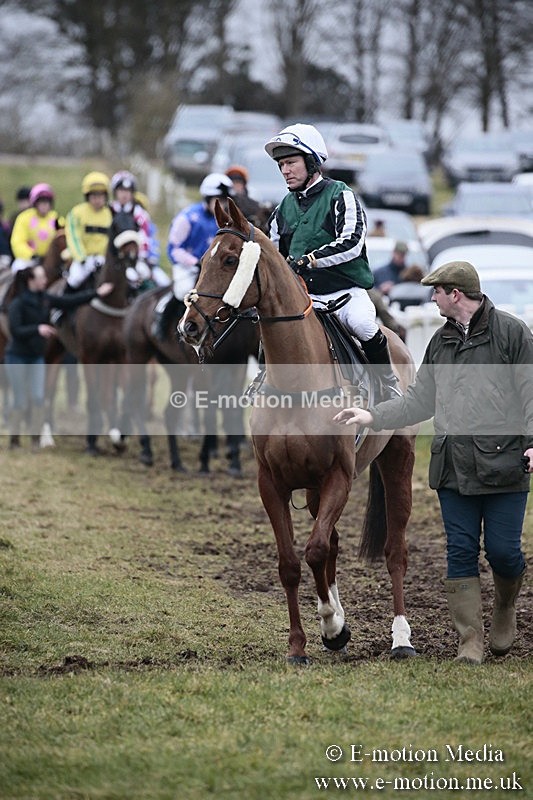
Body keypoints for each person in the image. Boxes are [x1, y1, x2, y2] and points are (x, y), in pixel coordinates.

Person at [334, 260, 532, 664]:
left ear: (454, 294)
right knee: (459, 553)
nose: (432, 298)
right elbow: (419, 400)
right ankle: (470, 642)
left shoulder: (512, 333)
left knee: (503, 553)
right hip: (453, 467)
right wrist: (373, 416)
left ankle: (505, 607)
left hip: (506, 465)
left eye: (436, 291)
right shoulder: (441, 343)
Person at [264, 122, 399, 398]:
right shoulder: (282, 210)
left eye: (291, 162)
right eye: (281, 165)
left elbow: (351, 242)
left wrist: (310, 260)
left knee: (363, 326)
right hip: (305, 300)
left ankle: (388, 386)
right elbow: (275, 256)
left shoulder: (342, 195)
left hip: (346, 295)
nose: (285, 170)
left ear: (312, 162)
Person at [5, 264, 113, 449]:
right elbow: (15, 330)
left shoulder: (45, 299)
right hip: (17, 357)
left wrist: (96, 294)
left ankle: (35, 438)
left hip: (36, 357)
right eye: (41, 277)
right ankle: (14, 439)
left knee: (38, 397)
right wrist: (37, 329)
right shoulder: (17, 303)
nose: (45, 280)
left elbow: (70, 301)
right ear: (31, 281)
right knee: (21, 399)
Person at [152, 172, 234, 340]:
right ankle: (163, 324)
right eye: (218, 199)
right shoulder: (188, 217)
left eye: (225, 199)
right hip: (188, 266)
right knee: (183, 290)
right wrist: (194, 262)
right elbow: (174, 248)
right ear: (207, 198)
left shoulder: (226, 220)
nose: (222, 204)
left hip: (213, 267)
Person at [109, 171, 168, 290]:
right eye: (121, 190)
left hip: (136, 258)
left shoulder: (140, 214)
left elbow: (145, 238)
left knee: (162, 282)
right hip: (112, 258)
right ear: (115, 192)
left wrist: (143, 258)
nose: (124, 194)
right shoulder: (109, 211)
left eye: (127, 191)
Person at [65, 172, 113, 289]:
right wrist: (82, 258)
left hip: (105, 260)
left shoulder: (111, 214)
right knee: (74, 279)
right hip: (84, 260)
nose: (97, 200)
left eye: (100, 196)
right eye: (94, 196)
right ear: (88, 196)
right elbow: (73, 237)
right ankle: (61, 306)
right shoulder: (76, 213)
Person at [10, 183, 59, 273]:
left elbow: (62, 237)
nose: (45, 205)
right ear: (35, 203)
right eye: (42, 202)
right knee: (17, 269)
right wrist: (31, 255)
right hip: (29, 260)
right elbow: (17, 241)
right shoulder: (24, 218)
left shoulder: (56, 218)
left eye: (47, 202)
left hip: (51, 261)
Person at [225, 164, 268, 231]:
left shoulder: (253, 204)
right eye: (233, 183)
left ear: (244, 184)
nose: (235, 186)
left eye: (238, 182)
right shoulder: (224, 203)